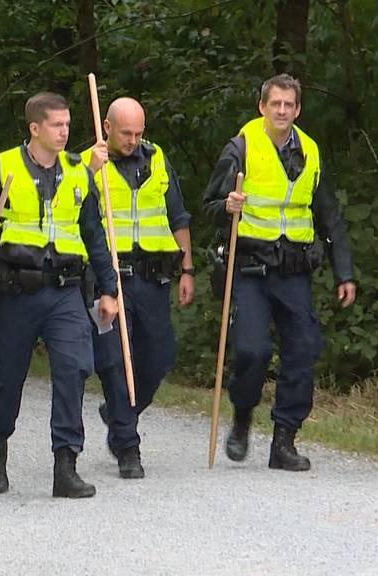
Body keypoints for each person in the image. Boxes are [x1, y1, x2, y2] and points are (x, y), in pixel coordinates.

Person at [0, 92, 119, 498]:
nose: (65, 132)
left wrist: (110, 288)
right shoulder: (2, 168)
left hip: (65, 290)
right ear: (35, 128)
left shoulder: (79, 173)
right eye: (57, 125)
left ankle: (66, 464)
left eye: (67, 125)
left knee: (74, 368)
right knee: (6, 377)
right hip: (15, 290)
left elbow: (94, 234)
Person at [202, 74, 356, 471]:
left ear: (298, 109)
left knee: (303, 350)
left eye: (289, 105)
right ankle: (242, 416)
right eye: (276, 104)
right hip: (250, 267)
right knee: (252, 352)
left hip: (294, 269)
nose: (282, 111)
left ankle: (284, 440)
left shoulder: (311, 152)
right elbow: (209, 208)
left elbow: (329, 217)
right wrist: (227, 207)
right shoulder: (240, 148)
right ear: (262, 107)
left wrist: (345, 273)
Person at [80, 97, 194, 479]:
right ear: (107, 128)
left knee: (160, 356)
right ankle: (128, 444)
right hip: (106, 276)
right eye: (126, 133)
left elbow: (177, 216)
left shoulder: (157, 159)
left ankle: (117, 413)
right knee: (113, 360)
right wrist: (87, 173)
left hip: (151, 275)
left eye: (139, 132)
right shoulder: (86, 164)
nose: (133, 140)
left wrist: (188, 268)